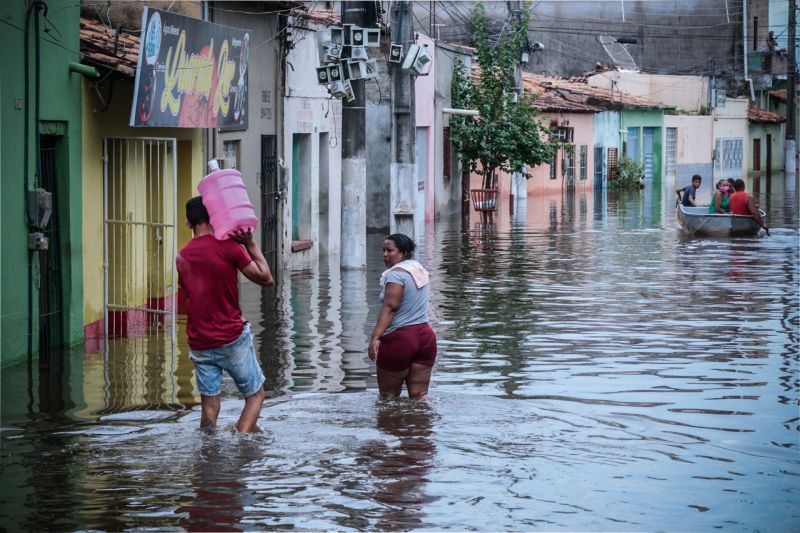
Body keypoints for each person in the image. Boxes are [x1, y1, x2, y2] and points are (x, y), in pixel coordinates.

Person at [176, 196, 274, 432]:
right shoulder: (229, 247)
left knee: (209, 406)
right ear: (214, 216)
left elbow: (188, 298)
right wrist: (249, 244)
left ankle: (208, 454)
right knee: (255, 395)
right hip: (231, 339)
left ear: (189, 224)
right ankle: (242, 446)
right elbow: (266, 278)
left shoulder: (182, 256)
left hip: (200, 342)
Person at [369, 233, 437, 399]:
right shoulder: (419, 270)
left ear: (403, 253)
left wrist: (375, 337)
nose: (385, 254)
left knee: (388, 398)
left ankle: (391, 425)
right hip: (426, 337)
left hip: (400, 339)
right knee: (420, 396)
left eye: (389, 250)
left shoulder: (395, 275)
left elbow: (391, 306)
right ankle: (420, 425)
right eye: (383, 250)